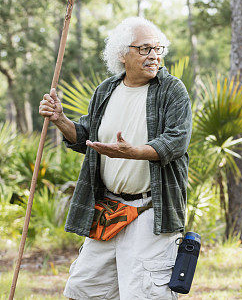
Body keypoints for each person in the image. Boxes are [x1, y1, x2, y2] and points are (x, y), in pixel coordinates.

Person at [39, 17, 192, 299]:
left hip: (150, 210)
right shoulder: (106, 90)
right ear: (122, 54)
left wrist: (134, 153)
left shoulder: (172, 90)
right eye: (144, 49)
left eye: (158, 48)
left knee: (144, 294)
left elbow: (176, 141)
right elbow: (86, 136)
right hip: (109, 208)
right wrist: (60, 119)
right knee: (83, 289)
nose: (154, 56)